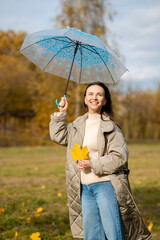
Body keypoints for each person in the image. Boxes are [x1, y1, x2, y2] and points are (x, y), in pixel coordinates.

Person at [49, 82, 151, 240]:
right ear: (84, 99)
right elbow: (58, 136)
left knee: (113, 234)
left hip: (106, 185)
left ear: (104, 101)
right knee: (92, 235)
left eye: (99, 94)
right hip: (84, 187)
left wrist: (93, 164)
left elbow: (120, 157)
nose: (94, 97)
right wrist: (62, 113)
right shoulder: (77, 125)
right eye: (90, 94)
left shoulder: (111, 127)